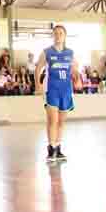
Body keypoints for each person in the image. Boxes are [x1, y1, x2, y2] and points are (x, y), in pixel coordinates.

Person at [35, 25, 78, 163]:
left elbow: (75, 68)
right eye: (56, 33)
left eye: (61, 33)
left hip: (66, 89)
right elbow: (37, 69)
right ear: (53, 36)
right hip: (51, 89)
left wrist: (77, 78)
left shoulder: (70, 53)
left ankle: (58, 147)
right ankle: (51, 148)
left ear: (65, 36)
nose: (58, 35)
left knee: (61, 121)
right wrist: (38, 86)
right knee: (52, 120)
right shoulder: (46, 52)